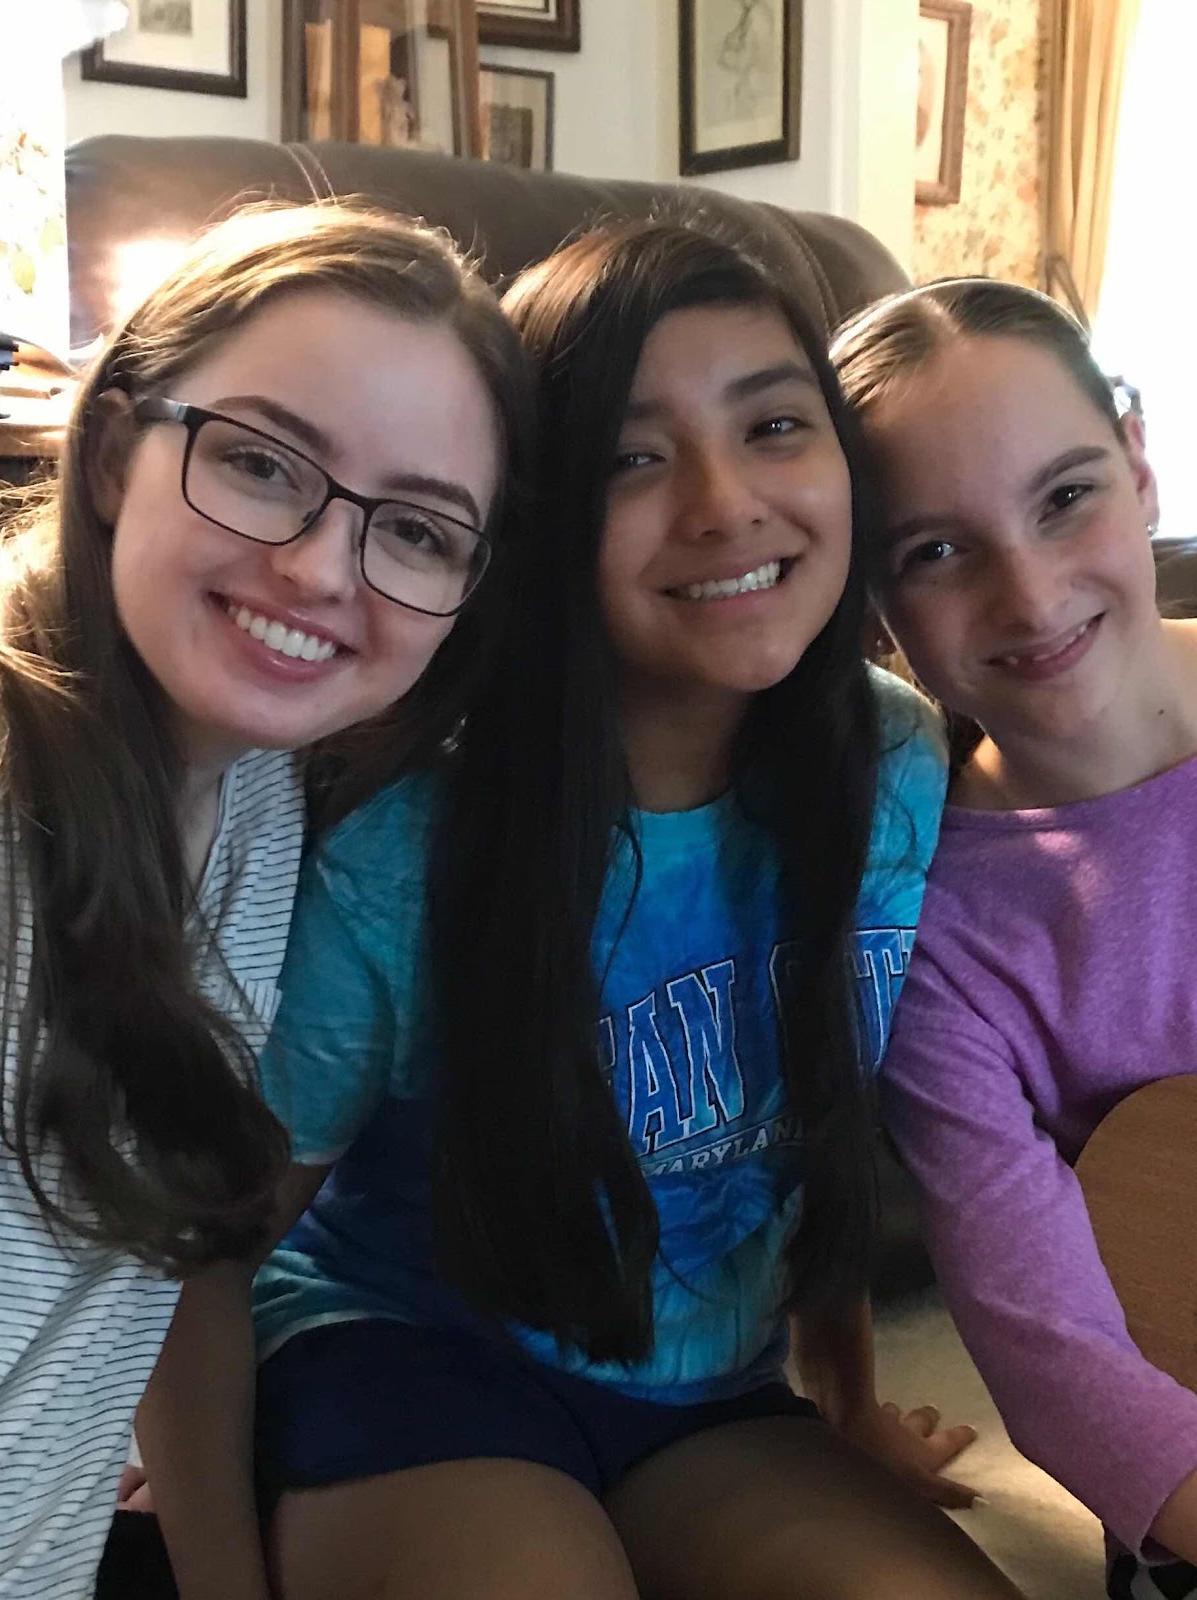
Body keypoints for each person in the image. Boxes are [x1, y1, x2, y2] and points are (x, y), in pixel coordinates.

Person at [207, 217, 1028, 1600]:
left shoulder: (892, 757)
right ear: (533, 516)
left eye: (773, 425)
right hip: (406, 1355)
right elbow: (216, 1235)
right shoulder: (411, 834)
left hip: (708, 1394)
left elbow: (814, 1104)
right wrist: (201, 1515)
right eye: (631, 459)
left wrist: (846, 1401)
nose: (722, 502)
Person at [0, 197, 531, 1600]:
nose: (318, 568)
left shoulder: (266, 799)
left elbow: (163, 1281)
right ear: (113, 451)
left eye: (417, 532)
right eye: (257, 462)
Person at [832, 277, 1197, 1600]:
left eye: (1065, 497)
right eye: (937, 551)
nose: (1030, 595)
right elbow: (1054, 1355)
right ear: (876, 613)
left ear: (1138, 465)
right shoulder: (934, 932)